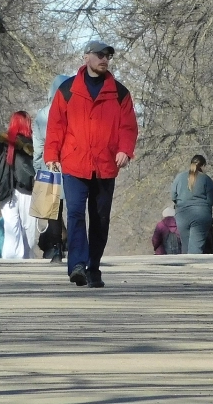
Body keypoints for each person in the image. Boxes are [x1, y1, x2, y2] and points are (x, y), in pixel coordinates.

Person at [45, 40, 139, 288]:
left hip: (105, 165)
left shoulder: (120, 93)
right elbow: (56, 125)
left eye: (108, 55)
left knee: (100, 219)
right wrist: (52, 154)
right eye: (100, 55)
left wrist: (125, 151)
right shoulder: (67, 90)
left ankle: (94, 266)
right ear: (86, 57)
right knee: (75, 213)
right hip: (75, 163)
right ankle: (77, 265)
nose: (104, 59)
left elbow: (128, 127)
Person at [0, 111, 37, 259]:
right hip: (27, 191)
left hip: (6, 190)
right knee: (28, 229)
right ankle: (26, 259)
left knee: (11, 229)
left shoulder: (2, 143)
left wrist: (0, 172)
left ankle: (10, 260)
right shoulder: (30, 144)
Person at [34, 75, 69, 263]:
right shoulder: (75, 110)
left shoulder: (41, 115)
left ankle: (55, 249)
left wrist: (37, 169)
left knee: (53, 212)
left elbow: (38, 147)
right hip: (72, 165)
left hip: (49, 166)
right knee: (75, 209)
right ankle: (76, 245)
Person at [170, 154, 213, 254]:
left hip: (182, 215)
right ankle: (194, 268)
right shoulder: (205, 179)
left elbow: (173, 196)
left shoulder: (179, 177)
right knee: (196, 248)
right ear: (203, 166)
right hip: (201, 216)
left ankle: (186, 268)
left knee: (185, 247)